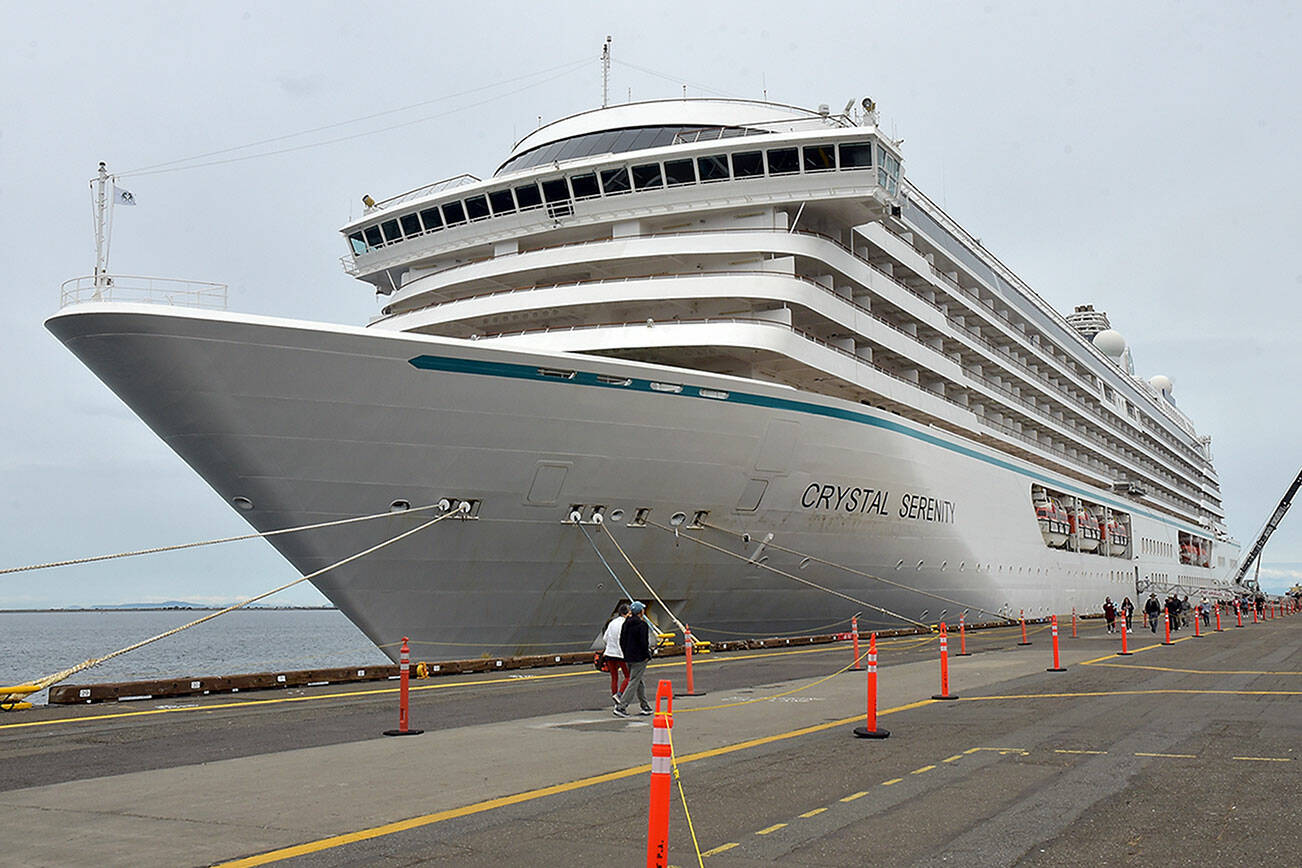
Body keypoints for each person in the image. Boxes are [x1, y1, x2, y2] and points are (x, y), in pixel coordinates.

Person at [613, 601, 654, 717]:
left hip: (628, 657)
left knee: (638, 680)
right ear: (641, 612)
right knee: (634, 682)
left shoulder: (626, 623)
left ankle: (645, 705)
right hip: (639, 658)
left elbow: (622, 640)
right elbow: (643, 643)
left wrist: (625, 653)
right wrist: (647, 655)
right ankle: (621, 706)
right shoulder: (642, 625)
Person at [602, 603, 630, 702]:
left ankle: (614, 695)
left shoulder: (612, 622)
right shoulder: (625, 623)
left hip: (609, 653)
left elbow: (605, 638)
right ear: (627, 613)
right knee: (628, 676)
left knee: (614, 677)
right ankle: (619, 694)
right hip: (620, 653)